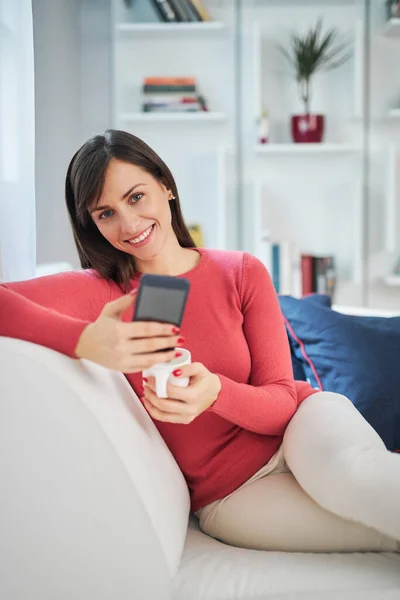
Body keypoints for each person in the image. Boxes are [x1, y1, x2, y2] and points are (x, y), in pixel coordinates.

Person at [1, 129, 399, 553]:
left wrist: (216, 393)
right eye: (106, 213)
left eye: (136, 197)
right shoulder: (100, 292)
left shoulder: (241, 271)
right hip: (230, 495)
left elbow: (283, 399)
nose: (129, 224)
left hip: (303, 424)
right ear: (93, 225)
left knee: (360, 481)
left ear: (165, 186)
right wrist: (86, 340)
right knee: (380, 536)